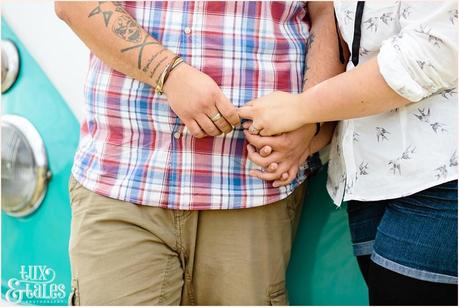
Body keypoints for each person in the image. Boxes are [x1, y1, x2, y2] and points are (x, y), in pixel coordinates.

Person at [55, 1, 344, 305]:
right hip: (124, 175)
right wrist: (168, 73)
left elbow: (327, 11)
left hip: (253, 186)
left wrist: (310, 121)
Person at [239, 1, 458, 305]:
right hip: (370, 178)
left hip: (440, 176)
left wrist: (301, 110)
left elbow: (433, 50)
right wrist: (310, 135)